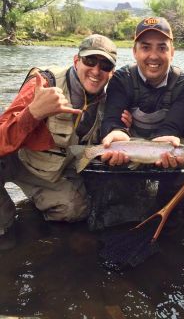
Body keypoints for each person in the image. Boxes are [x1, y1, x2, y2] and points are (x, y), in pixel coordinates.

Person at [0, 34, 129, 247]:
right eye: (90, 61)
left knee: (75, 210)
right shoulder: (44, 83)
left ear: (111, 73)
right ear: (76, 61)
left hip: (45, 171)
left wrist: (124, 129)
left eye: (105, 65)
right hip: (11, 159)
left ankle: (35, 203)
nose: (96, 71)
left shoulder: (109, 106)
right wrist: (33, 113)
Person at [86, 17, 184, 228]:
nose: (153, 56)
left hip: (165, 147)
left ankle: (171, 222)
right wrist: (115, 134)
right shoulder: (121, 79)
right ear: (135, 51)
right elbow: (112, 120)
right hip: (129, 148)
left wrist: (166, 143)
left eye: (162, 48)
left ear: (172, 52)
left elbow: (171, 128)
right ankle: (123, 222)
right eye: (146, 47)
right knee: (117, 193)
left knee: (182, 164)